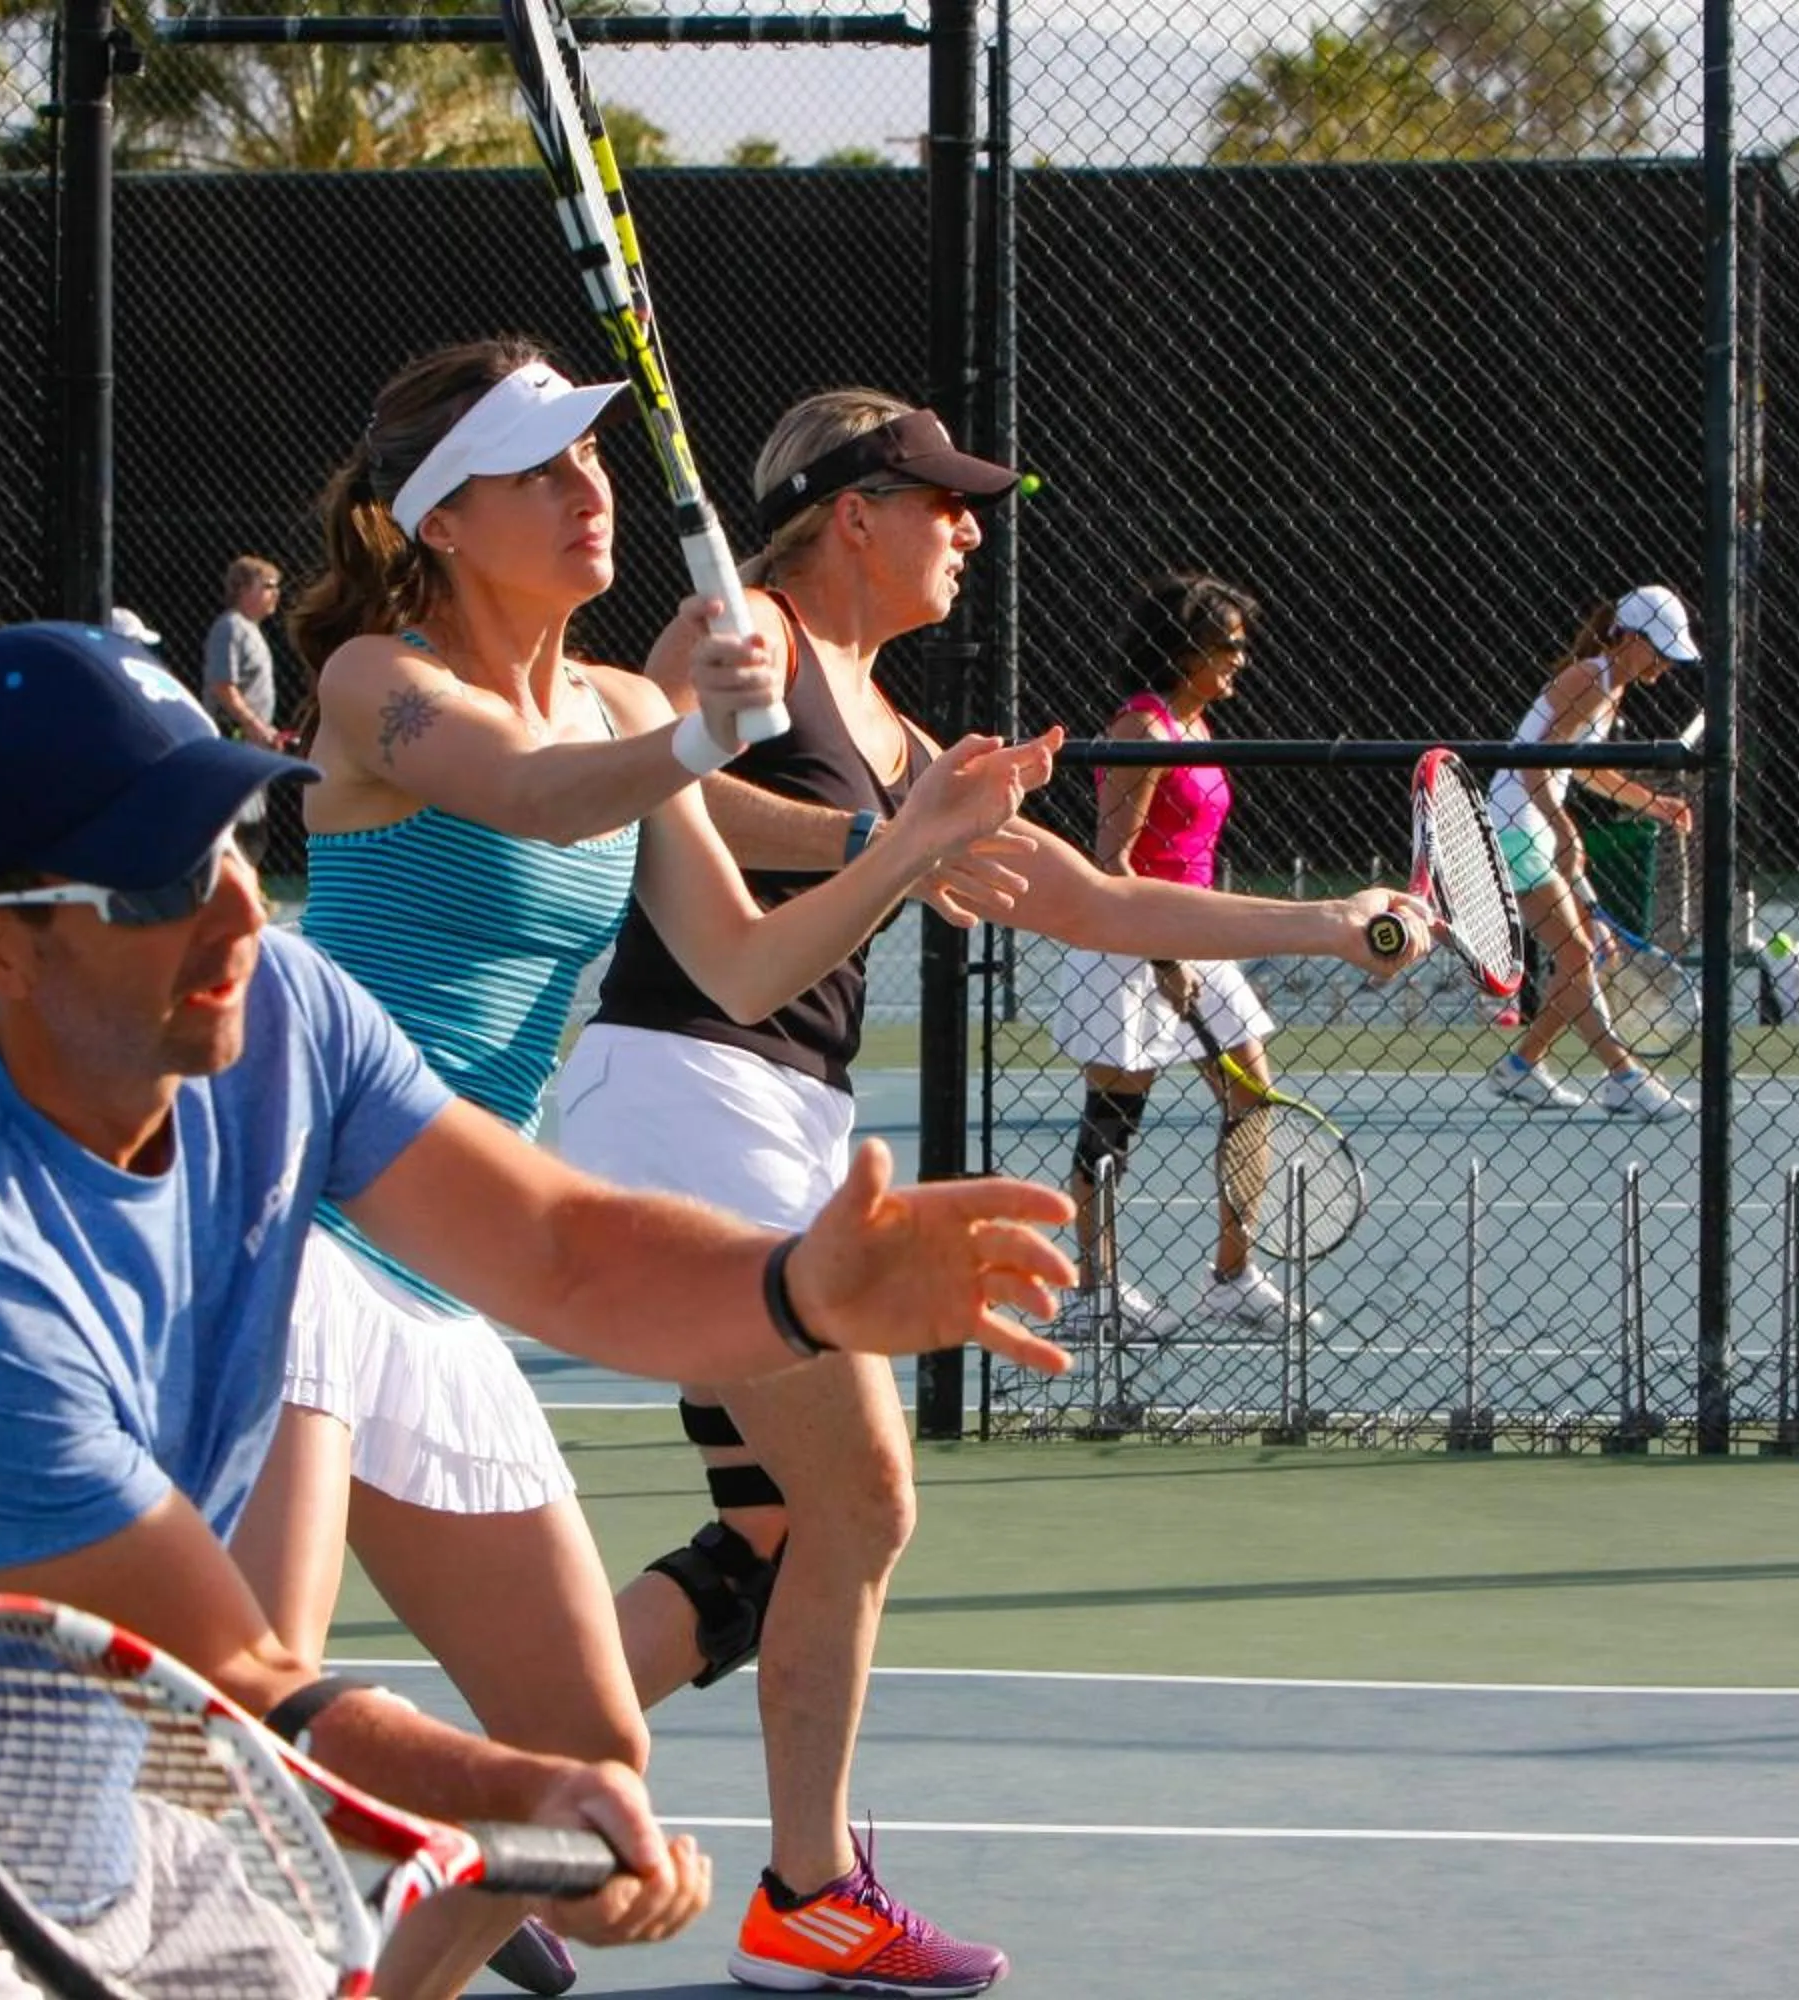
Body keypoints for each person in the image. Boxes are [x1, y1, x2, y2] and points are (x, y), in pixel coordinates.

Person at [0, 616, 1081, 2000]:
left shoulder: (283, 1016)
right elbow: (239, 1673)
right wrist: (523, 1797)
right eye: (152, 883)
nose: (235, 911)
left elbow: (558, 1246)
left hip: (106, 1791)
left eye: (237, 840)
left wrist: (802, 1288)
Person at [552, 389, 1436, 1995]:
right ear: (852, 516)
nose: (968, 527)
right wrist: (868, 824)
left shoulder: (896, 734)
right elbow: (658, 790)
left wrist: (1325, 922)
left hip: (777, 1117)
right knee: (867, 1502)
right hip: (692, 1090)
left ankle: (520, 1819)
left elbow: (1094, 903)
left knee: (772, 1537)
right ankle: (808, 1896)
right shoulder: (738, 638)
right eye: (940, 500)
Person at [225, 339, 1052, 2000]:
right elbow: (530, 797)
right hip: (293, 1236)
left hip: (443, 1270)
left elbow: (743, 963)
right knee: (258, 1713)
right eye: (537, 469)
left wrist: (903, 849)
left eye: (591, 457)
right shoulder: (378, 685)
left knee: (586, 1776)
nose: (586, 488)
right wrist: (697, 733)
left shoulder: (616, 704)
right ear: (441, 520)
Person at [1044, 571, 1302, 1335]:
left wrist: (1189, 947)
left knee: (1252, 1096)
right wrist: (1162, 957)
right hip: (1126, 942)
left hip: (1197, 935)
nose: (1240, 659)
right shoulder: (1142, 732)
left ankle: (1232, 1276)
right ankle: (1094, 1293)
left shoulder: (1196, 727)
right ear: (1184, 649)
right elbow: (1113, 860)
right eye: (1227, 645)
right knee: (1113, 1122)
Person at [1483, 585, 1701, 1120]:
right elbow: (1534, 764)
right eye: (1659, 651)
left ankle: (1522, 1067)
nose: (1664, 666)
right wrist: (1563, 829)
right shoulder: (1589, 679)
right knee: (1579, 954)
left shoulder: (1608, 686)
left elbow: (1584, 769)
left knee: (1584, 955)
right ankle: (1625, 1077)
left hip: (1529, 823)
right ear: (1629, 637)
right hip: (1516, 824)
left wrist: (1653, 803)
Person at [204, 555, 293, 862]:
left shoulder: (250, 630)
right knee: (237, 829)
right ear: (242, 589)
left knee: (252, 828)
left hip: (251, 743)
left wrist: (265, 731)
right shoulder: (230, 627)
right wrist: (254, 726)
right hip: (233, 742)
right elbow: (223, 687)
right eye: (267, 586)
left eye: (276, 586)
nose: (275, 593)